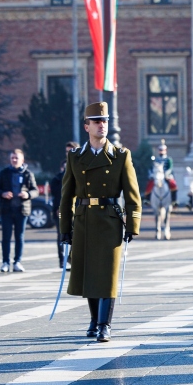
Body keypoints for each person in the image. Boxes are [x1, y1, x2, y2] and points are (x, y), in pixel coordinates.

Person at [59, 102, 141, 342]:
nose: (101, 125)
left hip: (110, 220)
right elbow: (66, 196)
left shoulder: (121, 156)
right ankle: (94, 320)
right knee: (89, 275)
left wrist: (132, 225)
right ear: (87, 126)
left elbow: (133, 195)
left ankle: (105, 325)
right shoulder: (75, 157)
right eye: (96, 121)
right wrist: (65, 229)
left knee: (107, 274)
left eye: (104, 121)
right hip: (84, 220)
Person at [0, 149, 39, 273]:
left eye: (16, 158)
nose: (14, 160)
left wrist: (27, 194)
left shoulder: (28, 174)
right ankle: (5, 262)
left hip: (22, 210)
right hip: (6, 210)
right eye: (12, 158)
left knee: (20, 237)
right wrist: (3, 193)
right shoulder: (4, 173)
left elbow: (35, 191)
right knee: (6, 237)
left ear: (22, 160)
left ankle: (17, 261)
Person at [50, 141, 80, 269]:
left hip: (81, 208)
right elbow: (57, 192)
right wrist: (57, 207)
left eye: (71, 151)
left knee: (79, 235)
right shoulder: (61, 175)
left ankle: (76, 259)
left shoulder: (83, 168)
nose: (69, 154)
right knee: (63, 233)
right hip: (63, 208)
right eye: (67, 152)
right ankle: (63, 259)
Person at [144, 140, 178, 206]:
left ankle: (174, 200)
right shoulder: (156, 159)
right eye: (160, 150)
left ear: (165, 151)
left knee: (173, 184)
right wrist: (151, 174)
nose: (161, 151)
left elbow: (170, 168)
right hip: (157, 175)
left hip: (166, 175)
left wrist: (166, 174)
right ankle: (147, 199)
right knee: (149, 184)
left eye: (163, 150)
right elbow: (152, 168)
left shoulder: (168, 159)